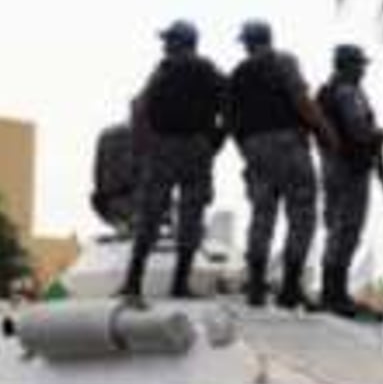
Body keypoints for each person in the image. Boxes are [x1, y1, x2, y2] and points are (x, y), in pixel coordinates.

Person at [227, 20, 338, 309]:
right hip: (287, 145)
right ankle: (290, 288)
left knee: (262, 214)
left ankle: (256, 286)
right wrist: (326, 133)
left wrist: (248, 151)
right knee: (302, 213)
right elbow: (302, 101)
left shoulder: (238, 74)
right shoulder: (283, 61)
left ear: (248, 43)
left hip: (254, 148)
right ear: (269, 38)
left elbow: (231, 121)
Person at [119, 20, 226, 299]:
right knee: (191, 216)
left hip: (164, 148)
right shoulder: (208, 70)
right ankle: (179, 283)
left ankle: (133, 281)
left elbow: (139, 108)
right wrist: (215, 139)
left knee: (150, 215)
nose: (165, 45)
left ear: (181, 42)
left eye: (169, 40)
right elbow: (230, 104)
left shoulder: (163, 70)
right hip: (195, 148)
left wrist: (141, 150)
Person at [316, 44, 383, 317]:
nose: (363, 70)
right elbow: (358, 129)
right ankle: (335, 294)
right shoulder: (348, 93)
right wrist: (377, 136)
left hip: (332, 166)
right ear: (347, 65)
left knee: (336, 227)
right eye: (359, 65)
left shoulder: (330, 91)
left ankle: (332, 292)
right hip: (349, 169)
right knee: (347, 229)